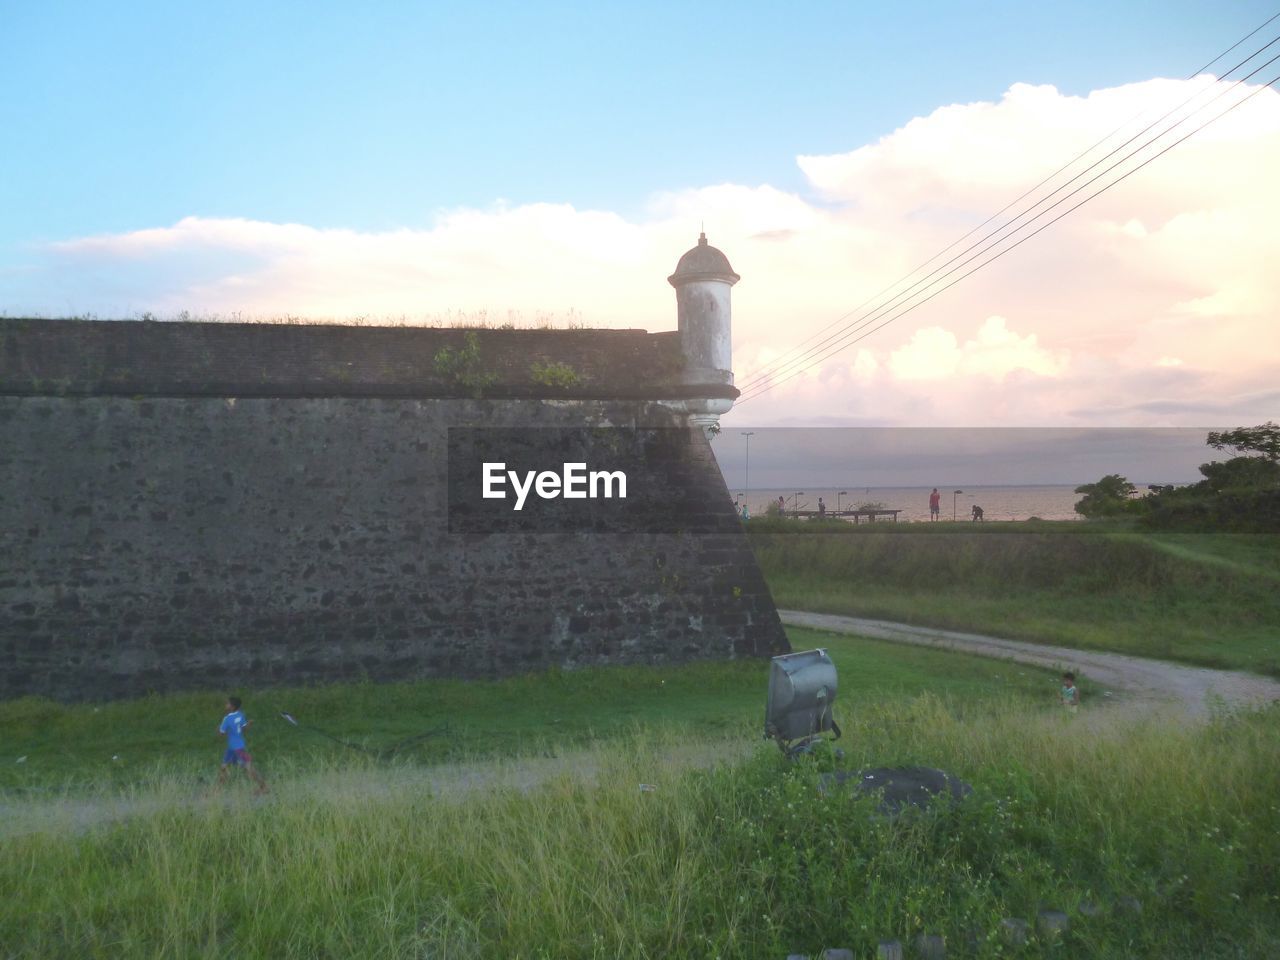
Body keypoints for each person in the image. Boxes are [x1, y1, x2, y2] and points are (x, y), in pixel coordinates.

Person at [217, 696, 268, 793]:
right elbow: (245, 729)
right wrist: (249, 723)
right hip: (237, 747)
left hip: (235, 748)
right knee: (224, 767)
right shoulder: (241, 715)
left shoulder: (227, 719)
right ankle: (217, 791)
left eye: (227, 704)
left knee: (247, 768)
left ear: (232, 707)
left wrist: (218, 729)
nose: (225, 705)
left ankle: (263, 787)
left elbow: (221, 734)